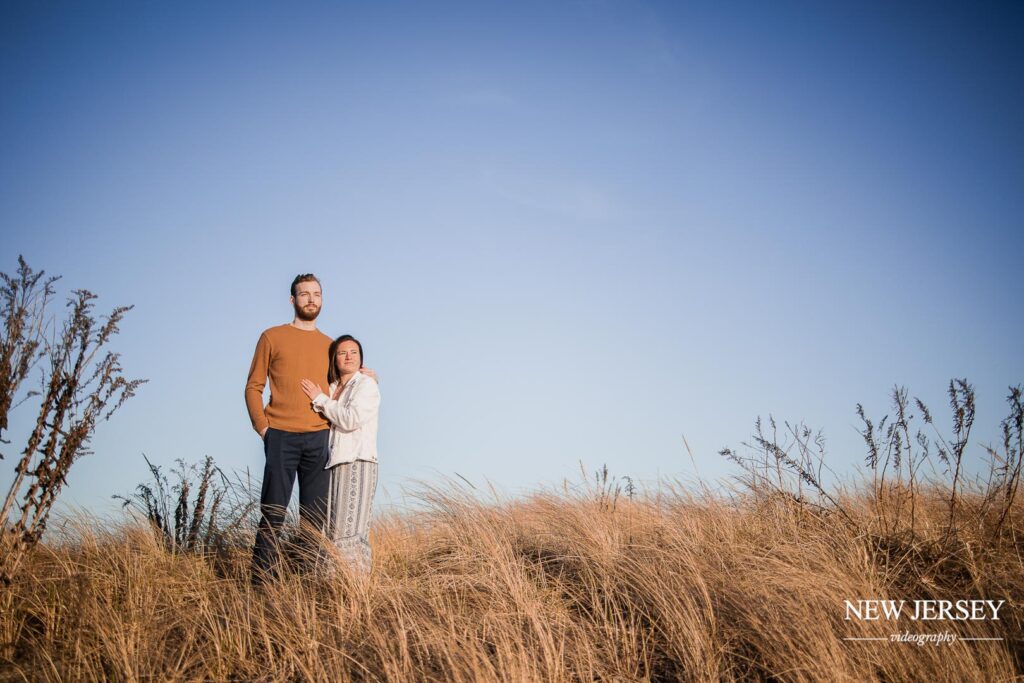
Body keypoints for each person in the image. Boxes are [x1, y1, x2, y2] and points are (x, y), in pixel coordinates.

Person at [245, 274, 375, 581]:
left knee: (314, 520)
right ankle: (261, 585)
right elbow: (253, 387)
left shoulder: (330, 345)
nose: (311, 299)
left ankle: (306, 583)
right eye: (304, 294)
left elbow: (343, 382)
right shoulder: (271, 337)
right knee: (273, 513)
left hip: (320, 439)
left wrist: (368, 376)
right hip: (281, 436)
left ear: (322, 299)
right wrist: (264, 429)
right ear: (293, 300)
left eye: (316, 294)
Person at [300, 334, 380, 573]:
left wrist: (319, 398)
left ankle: (355, 592)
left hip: (358, 460)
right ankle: (332, 592)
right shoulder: (334, 388)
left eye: (354, 352)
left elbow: (350, 419)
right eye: (342, 352)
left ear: (361, 358)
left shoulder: (365, 385)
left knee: (351, 532)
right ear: (334, 359)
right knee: (333, 531)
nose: (348, 357)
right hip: (334, 464)